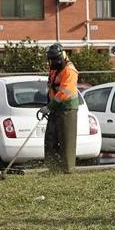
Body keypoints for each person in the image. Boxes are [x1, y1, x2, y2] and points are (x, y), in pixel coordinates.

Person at [39, 43, 80, 174]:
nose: (52, 62)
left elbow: (64, 92)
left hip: (67, 108)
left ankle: (67, 170)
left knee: (66, 140)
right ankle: (53, 168)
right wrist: (48, 105)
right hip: (55, 108)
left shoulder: (69, 71)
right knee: (50, 138)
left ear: (61, 56)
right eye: (50, 59)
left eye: (54, 59)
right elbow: (51, 87)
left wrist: (50, 106)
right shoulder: (54, 68)